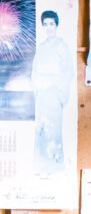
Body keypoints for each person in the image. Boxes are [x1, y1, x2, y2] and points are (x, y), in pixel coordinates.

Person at [31, 9, 73, 174]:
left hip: (54, 95)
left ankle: (55, 165)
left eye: (51, 24)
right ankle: (41, 164)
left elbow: (67, 72)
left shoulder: (62, 48)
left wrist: (55, 87)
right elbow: (35, 72)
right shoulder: (41, 48)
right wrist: (39, 86)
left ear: (56, 25)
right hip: (42, 95)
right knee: (40, 128)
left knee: (54, 129)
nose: (48, 27)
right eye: (45, 24)